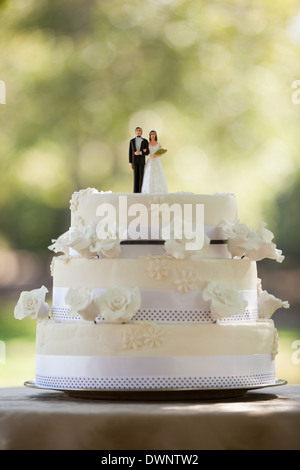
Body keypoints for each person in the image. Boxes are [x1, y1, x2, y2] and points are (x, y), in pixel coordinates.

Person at [129, 127, 149, 193]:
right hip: (134, 161)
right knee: (135, 176)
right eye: (137, 130)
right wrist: (130, 163)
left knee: (141, 176)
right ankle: (135, 192)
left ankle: (141, 191)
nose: (138, 131)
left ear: (141, 132)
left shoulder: (145, 141)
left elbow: (147, 152)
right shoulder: (132, 141)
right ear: (135, 132)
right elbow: (130, 152)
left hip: (142, 161)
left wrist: (140, 152)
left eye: (139, 130)